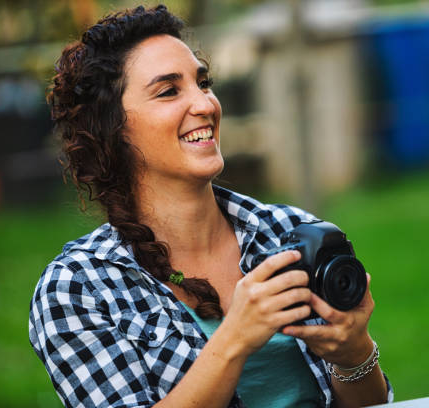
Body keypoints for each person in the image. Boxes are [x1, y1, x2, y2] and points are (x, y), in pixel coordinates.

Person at [29, 5, 393, 408]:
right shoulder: (79, 288)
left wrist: (355, 352)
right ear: (111, 129)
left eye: (203, 83)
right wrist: (234, 340)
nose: (205, 104)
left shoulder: (292, 232)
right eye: (169, 91)